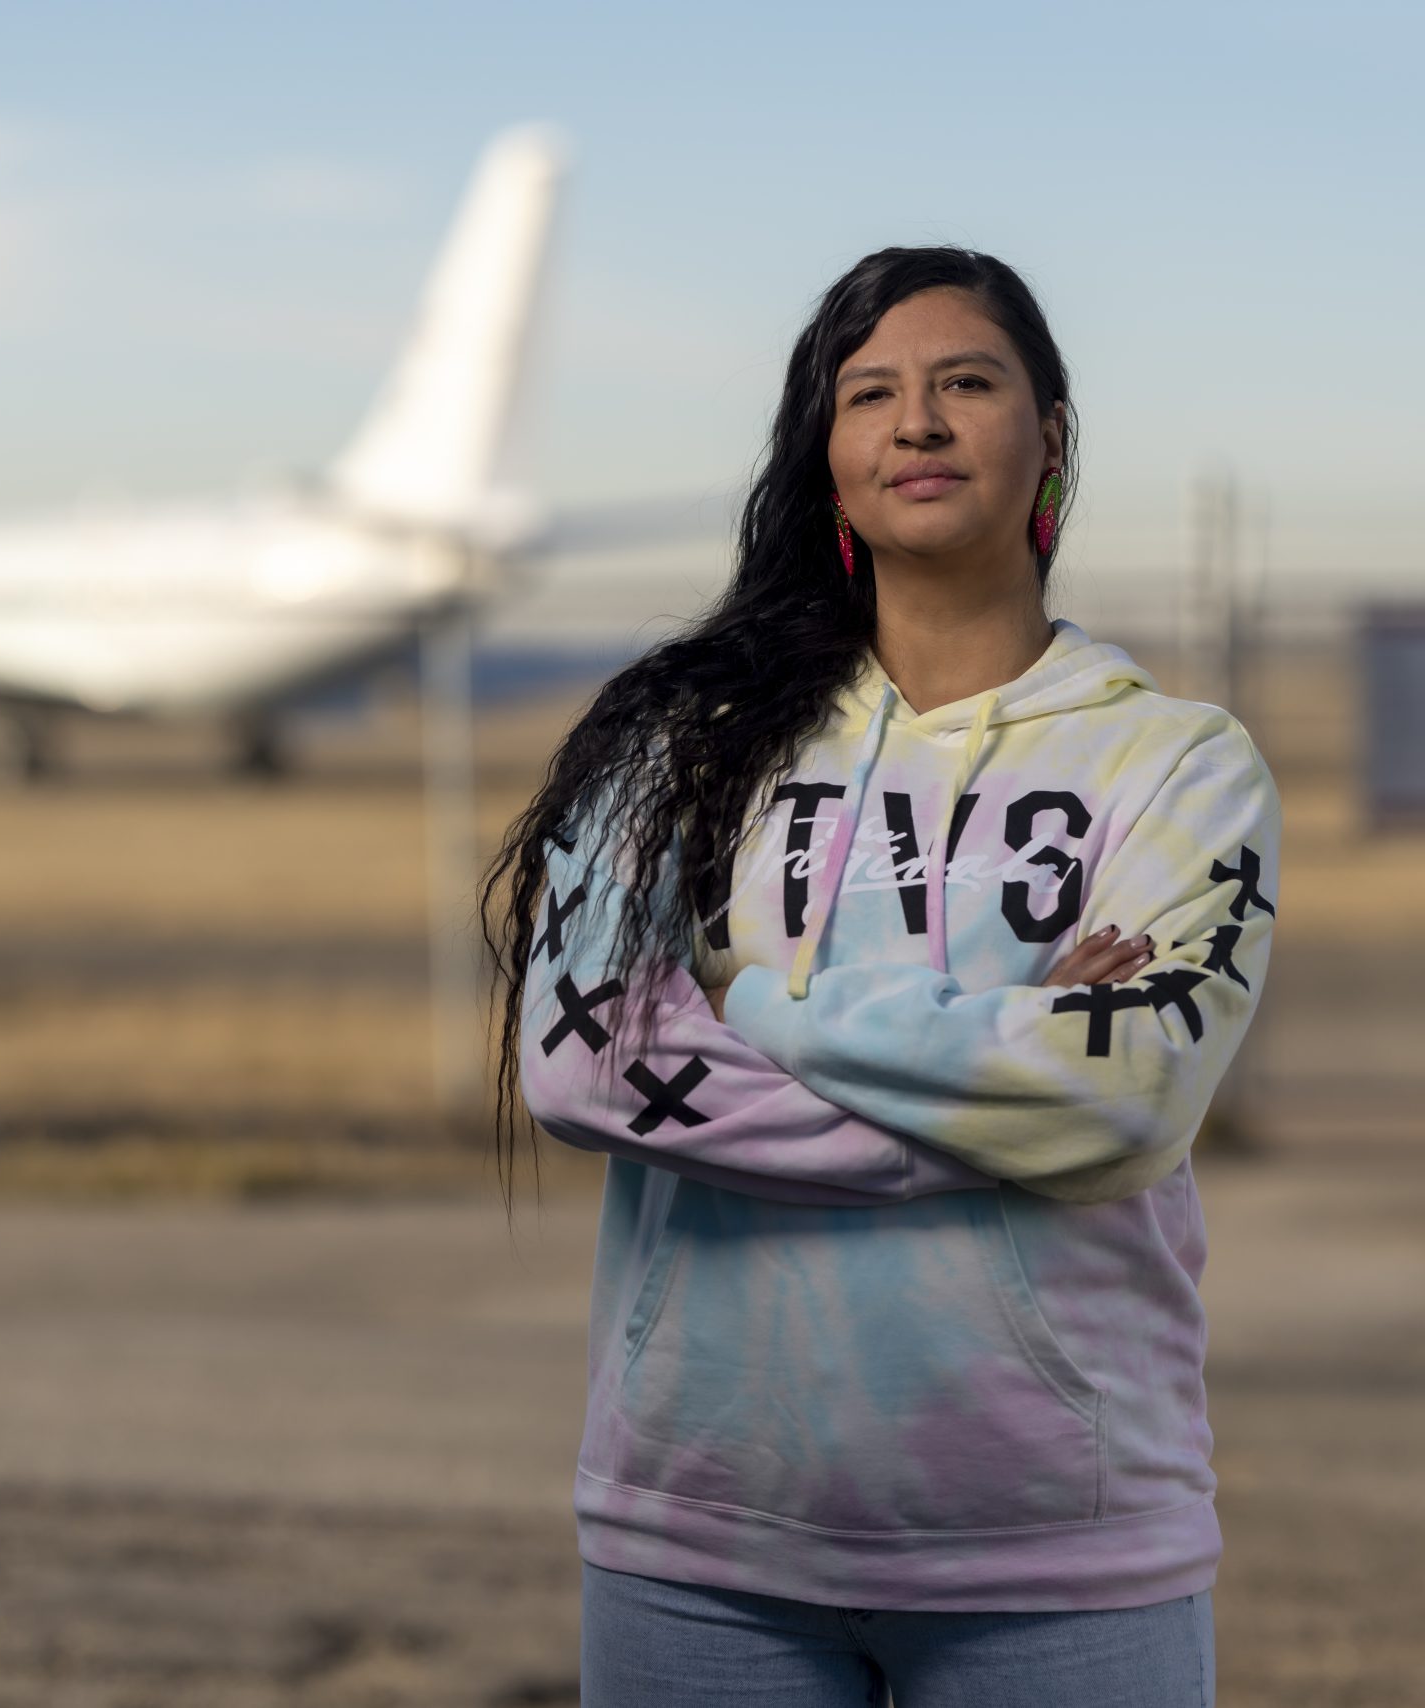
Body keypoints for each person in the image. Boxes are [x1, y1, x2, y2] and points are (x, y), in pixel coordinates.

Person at [480, 246, 1278, 1707]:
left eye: (966, 383)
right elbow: (584, 1064)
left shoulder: (1177, 762)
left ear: (1051, 434)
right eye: (871, 395)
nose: (918, 422)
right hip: (699, 1541)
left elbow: (1126, 1097)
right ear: (827, 459)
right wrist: (1001, 1081)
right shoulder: (678, 748)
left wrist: (760, 1006)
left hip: (1064, 1552)